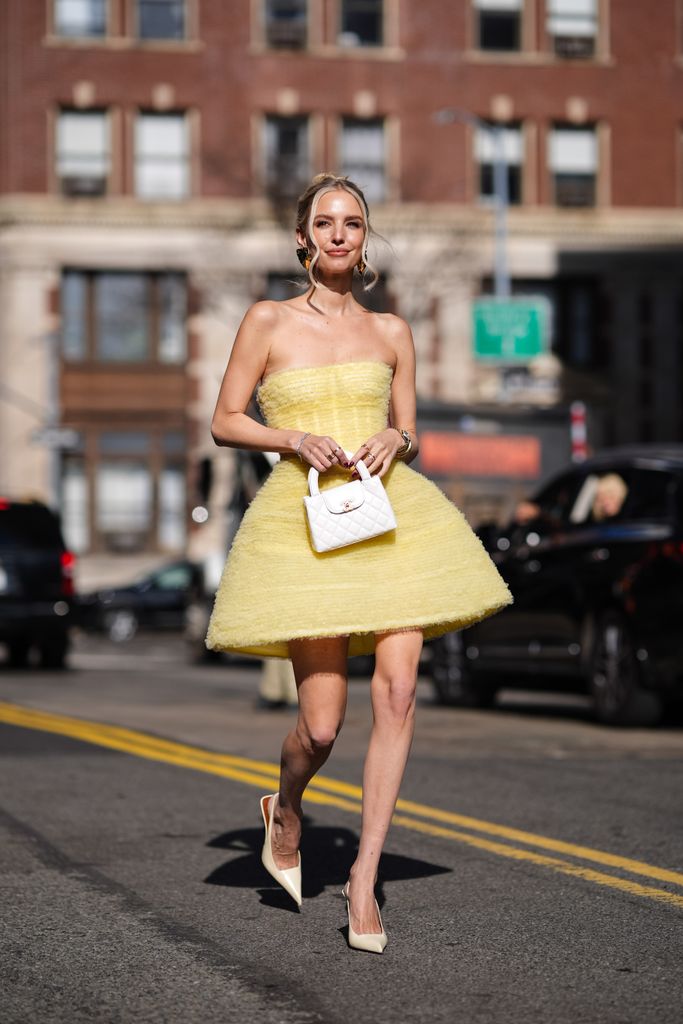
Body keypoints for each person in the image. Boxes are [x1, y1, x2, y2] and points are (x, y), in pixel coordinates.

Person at [206, 173, 512, 954]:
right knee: (321, 725)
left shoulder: (393, 332)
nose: (340, 233)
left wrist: (394, 441)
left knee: (401, 690)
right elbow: (225, 419)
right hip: (306, 524)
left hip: (391, 517)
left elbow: (408, 428)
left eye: (353, 222)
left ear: (364, 238)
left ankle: (363, 880)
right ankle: (289, 807)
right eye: (325, 222)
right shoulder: (267, 320)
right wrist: (291, 438)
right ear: (301, 239)